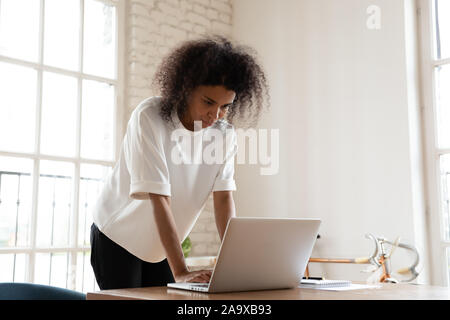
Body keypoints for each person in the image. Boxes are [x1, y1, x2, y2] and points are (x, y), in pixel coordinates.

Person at [90, 35, 269, 290]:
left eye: (225, 107)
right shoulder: (150, 117)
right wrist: (181, 271)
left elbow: (223, 200)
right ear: (185, 88)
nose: (214, 114)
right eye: (208, 102)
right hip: (118, 236)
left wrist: (237, 265)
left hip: (159, 248)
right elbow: (160, 199)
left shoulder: (224, 135)